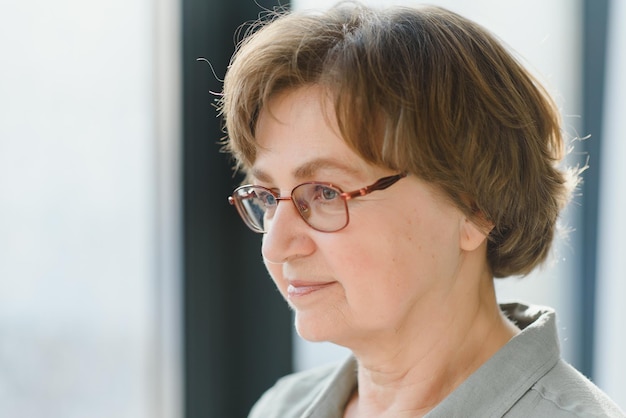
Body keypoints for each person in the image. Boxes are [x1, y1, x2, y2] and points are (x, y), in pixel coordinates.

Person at [219, 2, 625, 417]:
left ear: (475, 207)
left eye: (325, 193)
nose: (277, 245)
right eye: (268, 197)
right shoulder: (281, 407)